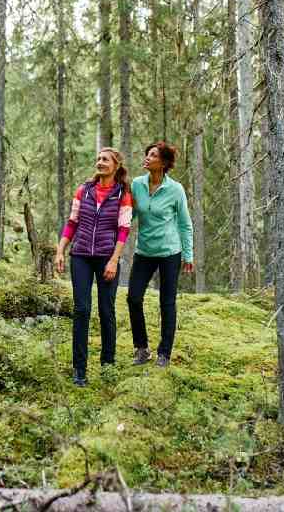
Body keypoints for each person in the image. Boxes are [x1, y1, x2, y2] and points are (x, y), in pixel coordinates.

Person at [54, 147, 133, 387]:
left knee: (106, 310)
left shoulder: (123, 194)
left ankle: (107, 365)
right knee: (81, 309)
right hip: (80, 256)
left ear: (116, 165)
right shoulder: (84, 190)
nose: (100, 162)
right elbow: (72, 222)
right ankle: (79, 369)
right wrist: (60, 250)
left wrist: (114, 260)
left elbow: (124, 230)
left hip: (107, 257)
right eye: (98, 159)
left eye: (105, 159)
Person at [127, 141, 193, 368]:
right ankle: (142, 348)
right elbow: (130, 215)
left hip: (169, 252)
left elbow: (184, 224)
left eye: (153, 155)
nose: (147, 157)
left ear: (163, 163)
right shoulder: (137, 184)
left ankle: (164, 353)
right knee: (133, 297)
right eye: (148, 153)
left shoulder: (175, 189)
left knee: (167, 302)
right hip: (144, 251)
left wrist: (188, 254)